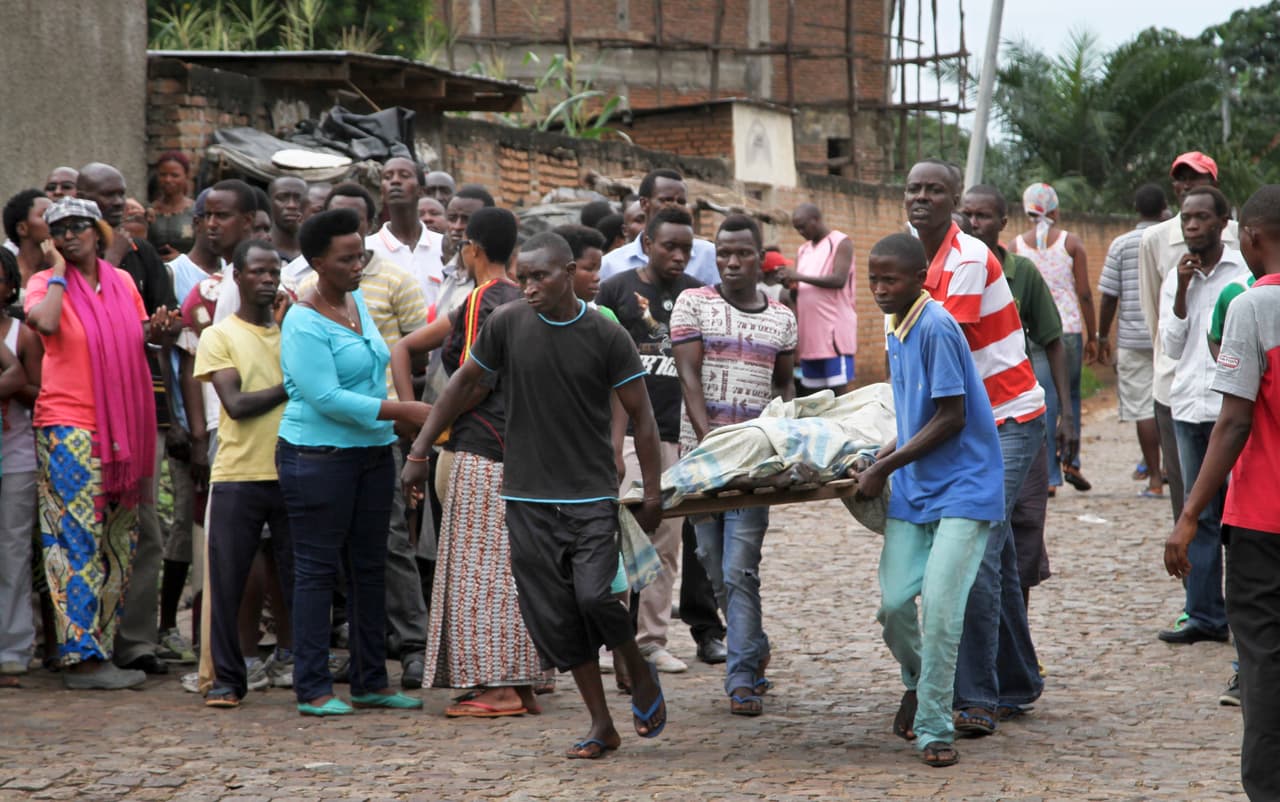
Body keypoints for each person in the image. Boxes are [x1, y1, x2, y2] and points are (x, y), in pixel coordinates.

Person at [400, 231, 668, 760]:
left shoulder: (604, 333)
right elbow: (463, 384)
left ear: (569, 273)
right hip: (524, 497)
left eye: (540, 277)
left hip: (590, 492)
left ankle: (634, 663)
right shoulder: (507, 324)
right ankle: (600, 724)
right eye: (522, 277)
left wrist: (653, 489)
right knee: (555, 616)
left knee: (595, 596)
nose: (528, 287)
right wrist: (421, 450)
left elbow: (642, 415)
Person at [904, 159, 1047, 737]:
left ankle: (975, 697)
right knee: (1000, 556)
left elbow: (942, 354)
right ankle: (1017, 682)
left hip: (1007, 417)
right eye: (913, 188)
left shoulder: (962, 260)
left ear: (955, 201)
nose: (922, 198)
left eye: (934, 190)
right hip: (970, 419)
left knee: (974, 553)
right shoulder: (913, 260)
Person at [856, 233, 1006, 768]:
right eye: (873, 278)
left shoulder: (938, 326)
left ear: (922, 276)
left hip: (966, 486)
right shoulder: (895, 325)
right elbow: (910, 410)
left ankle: (935, 728)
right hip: (916, 488)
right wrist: (883, 451)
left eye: (890, 278)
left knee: (942, 612)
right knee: (894, 605)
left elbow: (951, 416)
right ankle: (920, 683)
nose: (879, 288)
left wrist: (883, 468)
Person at [277, 208, 428, 716]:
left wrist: (393, 422)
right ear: (316, 262)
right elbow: (325, 397)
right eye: (345, 259)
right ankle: (313, 686)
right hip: (317, 457)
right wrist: (402, 411)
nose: (357, 265)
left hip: (371, 453)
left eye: (361, 254)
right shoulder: (302, 319)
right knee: (318, 570)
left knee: (371, 569)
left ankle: (369, 681)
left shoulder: (358, 301)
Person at [392, 207, 543, 716]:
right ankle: (516, 683)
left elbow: (473, 379)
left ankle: (499, 688)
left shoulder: (482, 298)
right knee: (508, 571)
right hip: (521, 449)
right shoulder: (526, 299)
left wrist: (424, 438)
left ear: (473, 250)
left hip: (483, 448)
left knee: (480, 573)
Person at [25, 197, 174, 689]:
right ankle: (80, 658)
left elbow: (133, 340)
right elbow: (45, 324)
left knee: (118, 539)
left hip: (120, 433)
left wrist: (157, 332)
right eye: (60, 229)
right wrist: (58, 271)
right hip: (68, 426)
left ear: (98, 232)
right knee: (73, 541)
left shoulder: (123, 283)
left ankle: (101, 649)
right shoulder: (44, 285)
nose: (70, 236)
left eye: (79, 228)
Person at [1164, 183, 1280, 801]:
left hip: (1264, 520)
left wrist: (1187, 516)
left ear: (1253, 236)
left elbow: (1234, 421)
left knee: (1262, 663)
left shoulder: (1254, 308)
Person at [671, 214, 796, 716]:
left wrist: (779, 434)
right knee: (712, 566)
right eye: (723, 253)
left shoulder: (782, 317)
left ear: (759, 257)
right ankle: (755, 647)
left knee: (740, 567)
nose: (731, 262)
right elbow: (687, 374)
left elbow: (785, 383)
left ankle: (741, 677)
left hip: (755, 464)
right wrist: (711, 442)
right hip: (702, 462)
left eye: (742, 253)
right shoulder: (693, 303)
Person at [78, 162, 181, 678]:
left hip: (142, 410)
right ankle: (81, 642)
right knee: (84, 532)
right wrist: (110, 257)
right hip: (80, 413)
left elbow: (159, 334)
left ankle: (135, 640)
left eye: (121, 194)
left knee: (144, 530)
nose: (117, 204)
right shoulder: (65, 264)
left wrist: (164, 329)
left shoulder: (146, 259)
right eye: (104, 196)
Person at [596, 207, 702, 674]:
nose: (678, 257)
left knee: (665, 538)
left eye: (686, 249)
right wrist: (612, 441)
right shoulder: (618, 290)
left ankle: (651, 640)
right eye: (669, 247)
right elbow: (604, 367)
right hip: (625, 433)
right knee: (616, 533)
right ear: (648, 243)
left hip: (672, 433)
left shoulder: (698, 294)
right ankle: (608, 642)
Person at [960, 184, 1074, 610]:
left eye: (983, 216)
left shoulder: (1021, 273)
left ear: (1003, 224)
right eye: (967, 214)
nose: (973, 223)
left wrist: (1065, 415)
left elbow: (1053, 341)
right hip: (968, 419)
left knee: (1023, 525)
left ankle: (1018, 637)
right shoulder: (946, 272)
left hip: (1017, 416)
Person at [195, 239, 295, 708]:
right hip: (238, 474)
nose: (267, 279)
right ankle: (226, 681)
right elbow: (235, 404)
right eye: (257, 271)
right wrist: (292, 385)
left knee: (299, 579)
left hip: (293, 471)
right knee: (229, 580)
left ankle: (305, 670)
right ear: (237, 276)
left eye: (273, 271)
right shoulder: (221, 335)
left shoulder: (292, 333)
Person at [1156, 186, 1250, 648]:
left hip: (1232, 411)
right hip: (1189, 408)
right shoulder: (1178, 276)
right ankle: (1204, 615)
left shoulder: (1245, 269)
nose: (1191, 226)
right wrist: (1181, 291)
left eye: (1200, 218)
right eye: (1185, 219)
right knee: (1197, 514)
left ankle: (1250, 614)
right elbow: (1172, 347)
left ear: (1223, 222)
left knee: (1245, 519)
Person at [1139, 151, 1240, 534]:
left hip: (1227, 392)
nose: (1187, 186)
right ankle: (1196, 589)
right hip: (1176, 386)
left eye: (1196, 179)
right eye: (1181, 180)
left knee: (1234, 503)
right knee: (1189, 502)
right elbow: (1154, 310)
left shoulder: (1242, 241)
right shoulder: (1155, 239)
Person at [1013, 183, 1097, 492]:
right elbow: (1085, 293)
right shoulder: (1070, 243)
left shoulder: (1015, 247)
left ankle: (1048, 474)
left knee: (1044, 398)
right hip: (1068, 328)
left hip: (1032, 330)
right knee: (1069, 396)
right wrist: (1095, 335)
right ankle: (1071, 461)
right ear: (1056, 211)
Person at [1098, 184, 1168, 498]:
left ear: (1136, 209)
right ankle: (1173, 471)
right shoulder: (1172, 239)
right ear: (1164, 208)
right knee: (1170, 405)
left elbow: (1109, 296)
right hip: (1169, 335)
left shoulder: (1121, 244)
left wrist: (1101, 336)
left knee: (1143, 409)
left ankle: (1154, 480)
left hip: (1132, 337)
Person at [0, 251, 39, 682]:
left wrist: (11, 383)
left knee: (12, 550)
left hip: (15, 454)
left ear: (11, 286)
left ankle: (13, 644)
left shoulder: (21, 334)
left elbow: (36, 390)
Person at [600, 170, 719, 286]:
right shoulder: (611, 264)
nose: (675, 206)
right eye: (667, 200)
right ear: (644, 204)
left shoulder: (707, 255)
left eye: (681, 202)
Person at [787, 203, 857, 394]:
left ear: (816, 220)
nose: (800, 232)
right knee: (814, 398)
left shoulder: (841, 242)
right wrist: (791, 284)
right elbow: (802, 290)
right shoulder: (803, 250)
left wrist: (798, 277)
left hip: (833, 336)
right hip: (810, 337)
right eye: (797, 228)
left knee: (839, 396)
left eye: (803, 226)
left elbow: (839, 279)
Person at [367, 158, 446, 309]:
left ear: (421, 190)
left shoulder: (443, 246)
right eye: (388, 177)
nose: (395, 181)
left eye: (404, 175)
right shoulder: (367, 249)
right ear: (381, 193)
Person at [147, 151, 196, 261]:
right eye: (163, 175)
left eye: (175, 175)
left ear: (186, 176)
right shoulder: (149, 212)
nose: (168, 180)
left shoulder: (196, 212)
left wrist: (181, 259)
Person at [3, 189, 52, 290]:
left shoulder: (64, 270)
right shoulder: (5, 274)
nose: (55, 220)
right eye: (46, 215)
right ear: (22, 229)